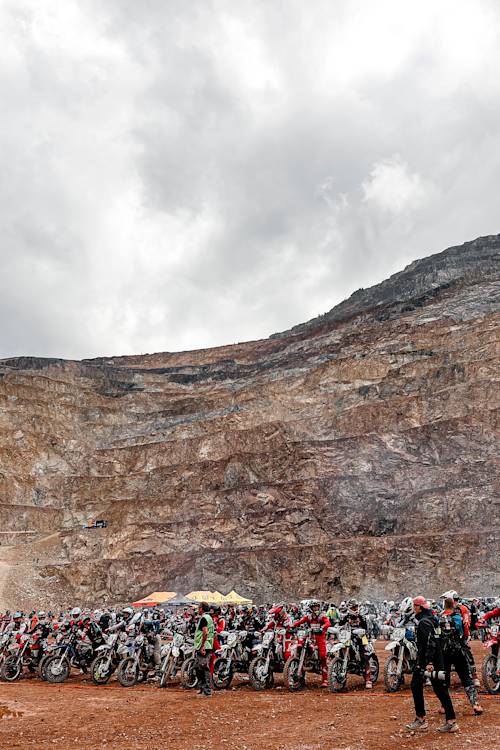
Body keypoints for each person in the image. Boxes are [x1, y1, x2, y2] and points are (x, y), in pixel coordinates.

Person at [406, 596, 457, 733]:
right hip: (437, 659)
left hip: (428, 661)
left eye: (414, 606)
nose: (413, 608)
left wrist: (428, 662)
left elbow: (430, 642)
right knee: (439, 689)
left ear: (419, 607)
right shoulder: (433, 618)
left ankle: (422, 719)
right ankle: (449, 721)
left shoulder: (424, 622)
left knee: (419, 686)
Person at [439, 597, 483, 715]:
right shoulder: (458, 617)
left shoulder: (438, 618)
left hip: (444, 653)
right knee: (466, 677)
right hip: (458, 651)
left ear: (444, 605)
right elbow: (464, 633)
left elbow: (436, 635)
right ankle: (475, 704)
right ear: (453, 605)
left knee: (445, 679)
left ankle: (444, 706)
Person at [292, 600, 330, 687]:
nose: (316, 608)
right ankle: (300, 678)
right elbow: (300, 621)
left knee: (323, 656)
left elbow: (328, 623)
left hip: (320, 637)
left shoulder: (322, 615)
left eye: (317, 606)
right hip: (310, 636)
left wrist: (322, 627)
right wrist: (291, 626)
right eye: (314, 607)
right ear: (311, 608)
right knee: (299, 648)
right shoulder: (308, 616)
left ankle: (325, 679)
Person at [339, 598, 373, 688]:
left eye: (356, 607)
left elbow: (367, 628)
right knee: (340, 653)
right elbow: (339, 624)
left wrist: (363, 631)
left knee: (364, 656)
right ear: (349, 608)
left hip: (361, 637)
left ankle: (368, 679)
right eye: (353, 607)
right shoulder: (346, 617)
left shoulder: (361, 617)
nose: (355, 609)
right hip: (348, 636)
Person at [194, 601, 214, 697]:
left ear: (201, 609)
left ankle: (207, 691)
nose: (198, 609)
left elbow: (205, 632)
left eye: (198, 608)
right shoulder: (209, 618)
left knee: (203, 667)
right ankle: (202, 687)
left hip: (204, 646)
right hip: (206, 645)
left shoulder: (204, 618)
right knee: (198, 667)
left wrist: (202, 646)